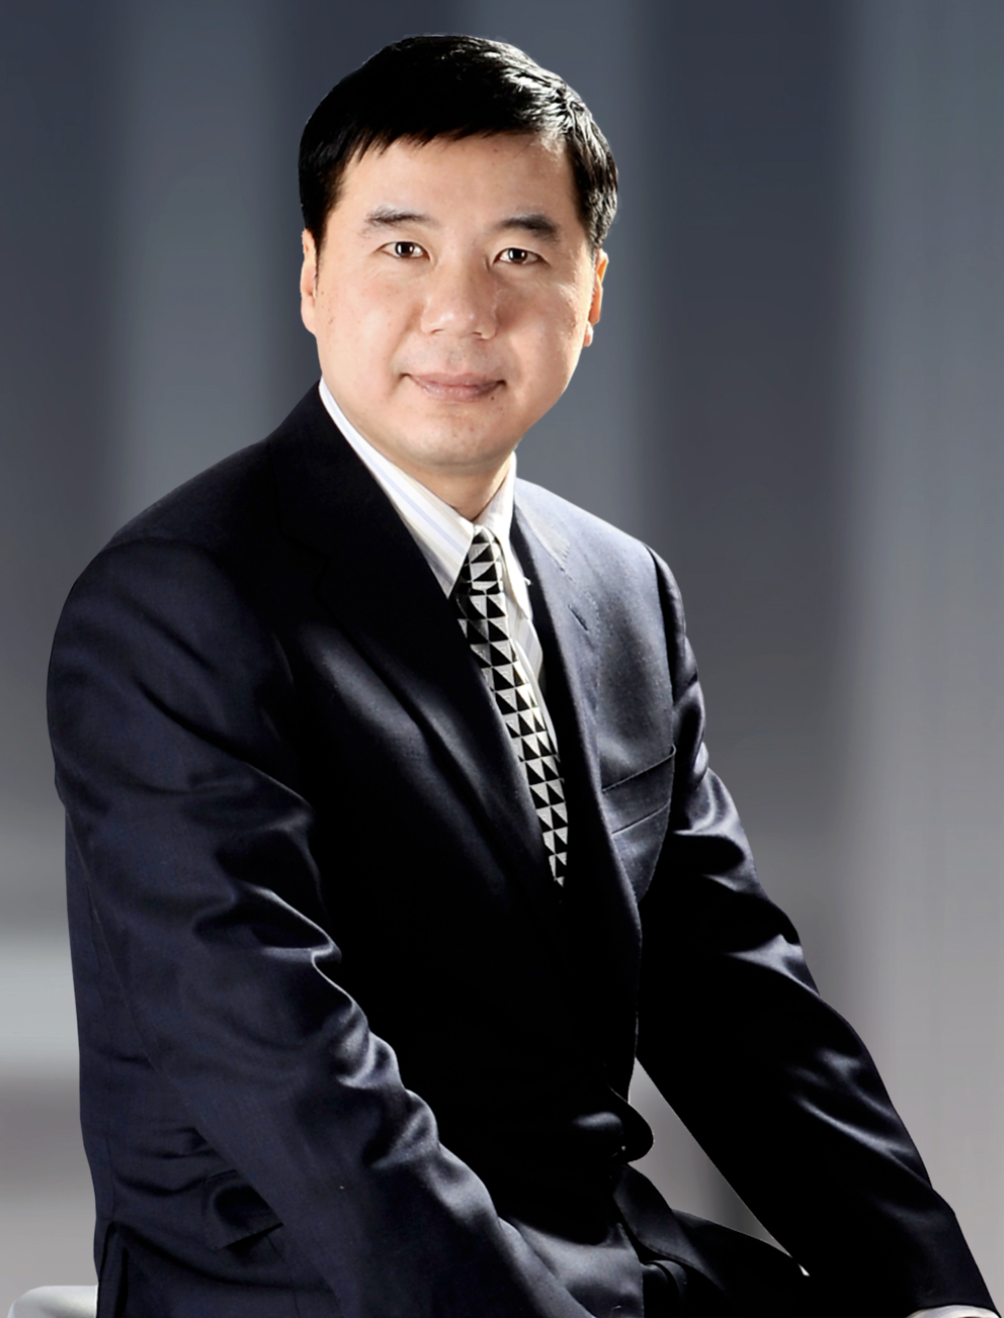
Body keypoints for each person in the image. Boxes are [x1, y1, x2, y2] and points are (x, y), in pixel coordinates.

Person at [47, 34, 995, 1318]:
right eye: (401, 248)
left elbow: (735, 1001)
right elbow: (290, 1076)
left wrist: (934, 1297)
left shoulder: (620, 590)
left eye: (516, 254)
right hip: (304, 1278)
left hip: (597, 1249)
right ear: (311, 278)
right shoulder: (178, 602)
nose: (460, 310)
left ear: (589, 294)